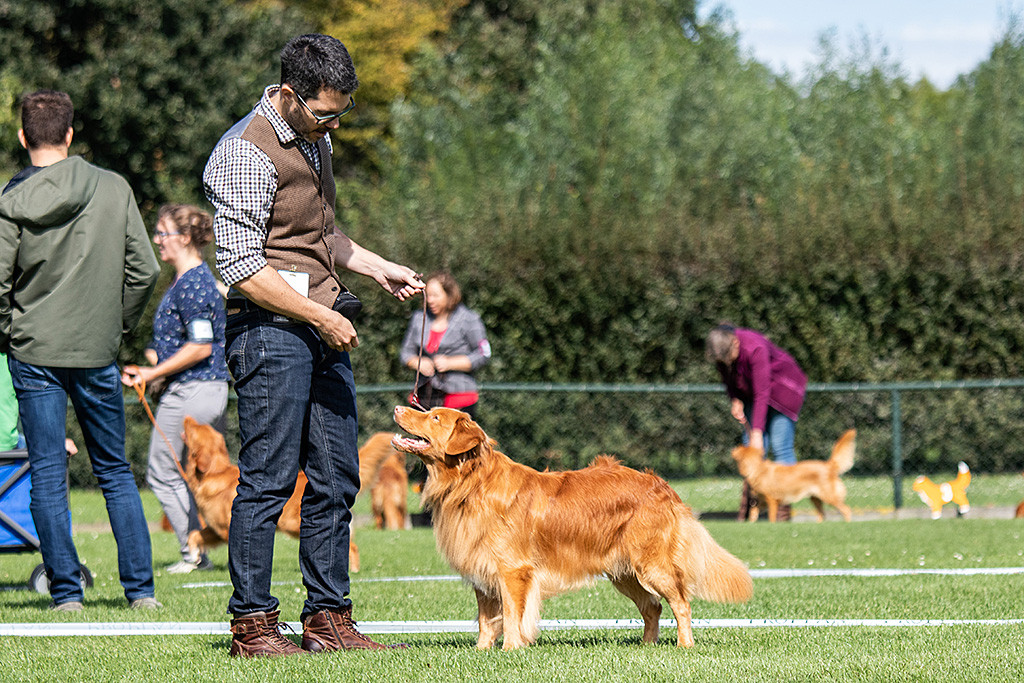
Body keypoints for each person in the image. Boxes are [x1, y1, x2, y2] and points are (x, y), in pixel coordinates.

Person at [203, 34, 424, 657]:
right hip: (268, 330)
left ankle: (328, 620)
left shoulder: (315, 138)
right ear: (289, 94)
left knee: (336, 475)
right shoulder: (243, 152)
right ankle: (252, 626)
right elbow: (242, 266)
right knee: (269, 480)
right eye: (326, 112)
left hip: (319, 324)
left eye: (342, 111)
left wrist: (377, 267)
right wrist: (319, 317)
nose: (335, 124)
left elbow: (319, 235)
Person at [0, 90, 161, 610]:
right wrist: (117, 325)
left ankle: (67, 594)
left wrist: (10, 333)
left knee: (48, 472)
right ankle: (141, 593)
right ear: (70, 134)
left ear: (23, 137)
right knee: (114, 470)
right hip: (96, 349)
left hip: (33, 350)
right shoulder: (114, 188)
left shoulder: (9, 199)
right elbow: (145, 271)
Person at [121, 204, 229, 574]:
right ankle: (203, 551)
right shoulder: (188, 281)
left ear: (184, 238)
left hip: (193, 391)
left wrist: (152, 373)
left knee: (162, 471)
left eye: (162, 233)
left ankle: (193, 553)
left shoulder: (194, 283)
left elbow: (200, 347)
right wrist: (157, 361)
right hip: (197, 388)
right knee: (195, 475)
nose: (157, 240)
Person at [706, 323, 808, 521]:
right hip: (752, 395)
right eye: (722, 361)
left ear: (735, 342)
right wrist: (735, 399)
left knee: (780, 447)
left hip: (782, 392)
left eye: (729, 357)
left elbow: (763, 392)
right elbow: (728, 380)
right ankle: (753, 508)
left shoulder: (755, 347)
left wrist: (757, 433)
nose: (727, 362)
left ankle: (782, 510)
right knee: (750, 450)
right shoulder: (722, 351)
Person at [399, 272, 491, 419]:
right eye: (428, 295)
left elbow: (483, 353)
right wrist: (417, 363)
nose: (430, 300)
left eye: (435, 295)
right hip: (424, 397)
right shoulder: (418, 318)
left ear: (450, 295)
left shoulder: (469, 319)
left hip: (459, 398)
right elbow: (405, 352)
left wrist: (450, 363)